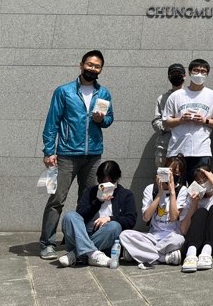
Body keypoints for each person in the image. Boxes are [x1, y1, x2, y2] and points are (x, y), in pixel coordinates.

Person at [39, 49, 114, 260]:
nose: (93, 68)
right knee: (57, 199)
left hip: (93, 155)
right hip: (67, 153)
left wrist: (102, 120)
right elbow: (52, 122)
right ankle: (47, 243)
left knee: (88, 201)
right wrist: (49, 151)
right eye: (89, 64)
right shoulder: (64, 91)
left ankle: (76, 239)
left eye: (97, 66)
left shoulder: (104, 93)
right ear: (81, 65)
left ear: (101, 70)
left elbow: (109, 119)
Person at [57, 161, 136, 267]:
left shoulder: (126, 194)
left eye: (110, 182)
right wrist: (97, 202)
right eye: (102, 182)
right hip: (83, 235)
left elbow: (131, 220)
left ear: (116, 179)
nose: (106, 185)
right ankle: (93, 254)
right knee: (70, 216)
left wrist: (110, 218)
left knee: (115, 226)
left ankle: (75, 254)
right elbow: (80, 215)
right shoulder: (90, 191)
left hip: (106, 238)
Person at [163, 59, 213, 183]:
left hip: (201, 150)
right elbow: (166, 121)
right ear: (189, 72)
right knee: (174, 186)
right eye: (196, 70)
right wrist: (180, 120)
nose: (199, 74)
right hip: (177, 150)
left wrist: (205, 121)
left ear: (207, 74)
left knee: (199, 188)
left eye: (203, 71)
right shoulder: (176, 96)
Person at [119, 155, 188, 268]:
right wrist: (159, 193)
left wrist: (172, 192)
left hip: (171, 237)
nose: (171, 176)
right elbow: (146, 217)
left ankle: (138, 253)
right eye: (169, 171)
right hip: (152, 236)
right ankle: (162, 258)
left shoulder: (182, 190)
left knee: (179, 240)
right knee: (124, 235)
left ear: (179, 175)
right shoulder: (150, 189)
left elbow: (173, 218)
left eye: (175, 173)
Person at [178, 165, 213, 272]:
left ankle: (207, 251)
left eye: (205, 179)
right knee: (201, 212)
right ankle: (191, 253)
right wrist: (194, 205)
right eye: (199, 181)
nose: (203, 183)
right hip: (198, 242)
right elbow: (183, 230)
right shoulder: (192, 197)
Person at [152, 64, 185, 167]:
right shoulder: (162, 98)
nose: (176, 76)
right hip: (164, 147)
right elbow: (156, 122)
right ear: (169, 77)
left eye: (178, 73)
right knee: (163, 176)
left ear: (185, 76)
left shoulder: (190, 96)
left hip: (184, 148)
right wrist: (170, 125)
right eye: (173, 74)